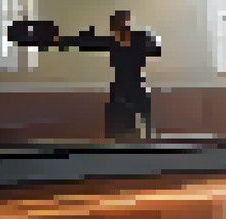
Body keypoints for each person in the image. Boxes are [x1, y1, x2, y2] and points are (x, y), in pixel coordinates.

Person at [55, 10, 161, 140]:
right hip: (123, 89)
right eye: (116, 26)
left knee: (140, 124)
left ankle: (140, 142)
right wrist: (62, 41)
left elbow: (155, 48)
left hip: (134, 87)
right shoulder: (117, 41)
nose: (118, 29)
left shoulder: (139, 38)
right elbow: (86, 43)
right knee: (119, 129)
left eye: (121, 25)